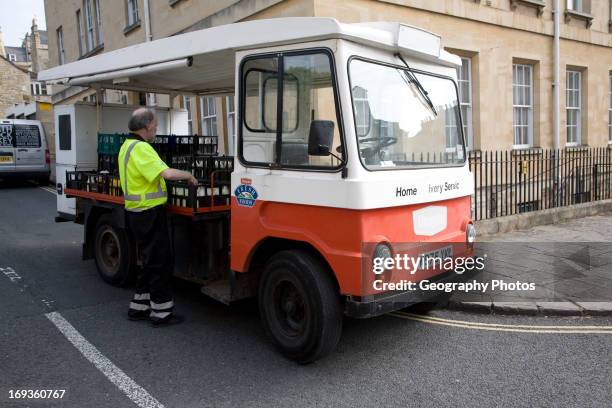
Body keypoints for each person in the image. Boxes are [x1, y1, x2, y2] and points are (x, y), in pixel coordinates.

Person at [119, 108, 197, 327]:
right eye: (155, 124)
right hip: (149, 212)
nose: (156, 128)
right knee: (159, 262)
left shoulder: (126, 146)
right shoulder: (142, 148)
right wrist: (189, 175)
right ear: (145, 126)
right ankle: (161, 313)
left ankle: (139, 306)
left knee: (147, 260)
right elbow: (167, 174)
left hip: (136, 211)